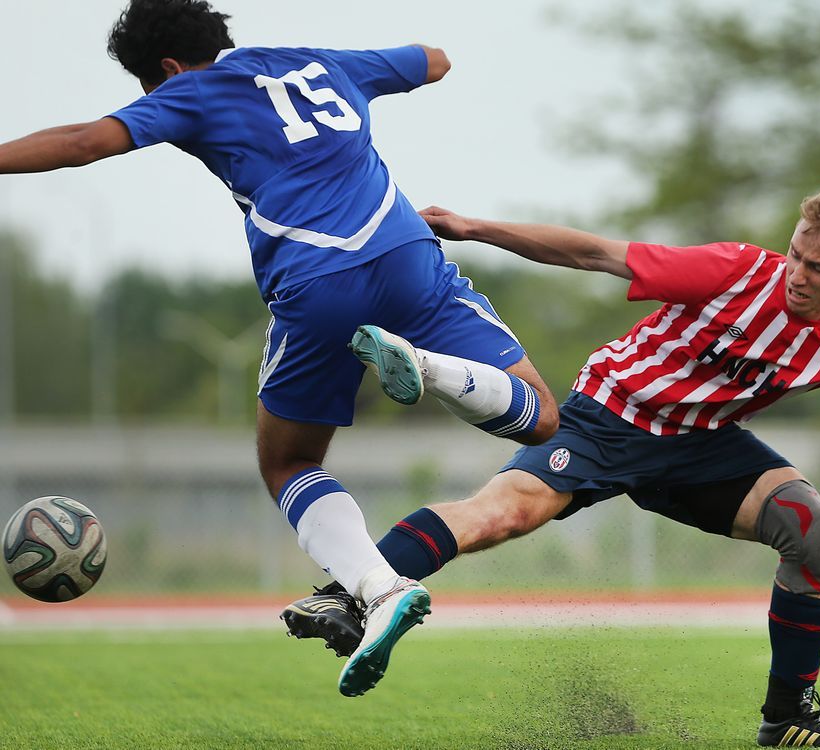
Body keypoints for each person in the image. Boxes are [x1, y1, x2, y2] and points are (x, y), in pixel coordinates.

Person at [0, 0, 558, 697]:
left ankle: (379, 589)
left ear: (168, 70)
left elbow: (87, 140)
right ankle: (431, 369)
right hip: (408, 256)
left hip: (318, 284)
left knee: (288, 462)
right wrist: (390, 71)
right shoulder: (318, 62)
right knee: (539, 416)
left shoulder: (191, 90)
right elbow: (434, 60)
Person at [292, 189, 820, 746]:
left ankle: (789, 718)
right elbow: (595, 254)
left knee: (813, 529)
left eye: (819, 269)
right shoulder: (736, 270)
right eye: (796, 254)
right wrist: (473, 227)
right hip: (607, 415)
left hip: (700, 446)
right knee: (500, 515)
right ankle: (347, 589)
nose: (797, 275)